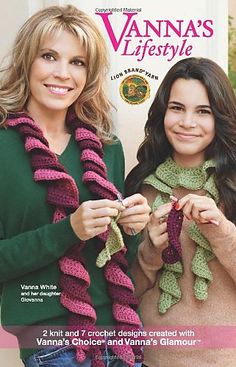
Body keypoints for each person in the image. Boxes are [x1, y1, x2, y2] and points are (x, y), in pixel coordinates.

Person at [0, 5, 150, 367]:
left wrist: (131, 228)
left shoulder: (106, 148)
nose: (63, 74)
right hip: (53, 346)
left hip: (121, 338)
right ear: (26, 62)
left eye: (78, 62)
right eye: (49, 56)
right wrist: (68, 230)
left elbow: (116, 257)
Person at [125, 57, 236, 367]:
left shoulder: (232, 185)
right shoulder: (140, 186)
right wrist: (151, 252)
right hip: (151, 358)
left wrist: (221, 230)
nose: (187, 122)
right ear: (163, 113)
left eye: (203, 111)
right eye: (177, 108)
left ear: (220, 118)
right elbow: (123, 291)